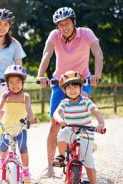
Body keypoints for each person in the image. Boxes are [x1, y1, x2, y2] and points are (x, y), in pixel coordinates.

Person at [37, 7, 104, 177]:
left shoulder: (86, 33)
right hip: (60, 82)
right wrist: (40, 75)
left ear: (74, 22)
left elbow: (98, 53)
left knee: (83, 107)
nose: (64, 27)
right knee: (54, 125)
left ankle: (86, 144)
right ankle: (51, 167)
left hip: (82, 81)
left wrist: (97, 74)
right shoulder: (55, 35)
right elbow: (47, 54)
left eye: (67, 23)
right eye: (61, 25)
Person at [0, 65, 36, 182]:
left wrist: (31, 117)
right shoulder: (5, 95)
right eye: (11, 82)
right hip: (7, 125)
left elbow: (28, 108)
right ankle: (2, 159)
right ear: (7, 84)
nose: (15, 85)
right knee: (3, 145)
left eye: (18, 82)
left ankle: (26, 170)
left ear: (23, 83)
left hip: (20, 126)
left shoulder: (25, 96)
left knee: (23, 147)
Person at [53, 70, 105, 184]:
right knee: (61, 134)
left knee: (88, 161)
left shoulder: (86, 101)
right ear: (64, 90)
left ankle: (93, 182)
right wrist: (60, 119)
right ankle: (61, 156)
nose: (72, 90)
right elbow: (56, 113)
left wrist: (101, 123)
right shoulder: (64, 102)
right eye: (69, 88)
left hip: (85, 134)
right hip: (70, 130)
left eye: (75, 87)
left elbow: (95, 110)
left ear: (81, 88)